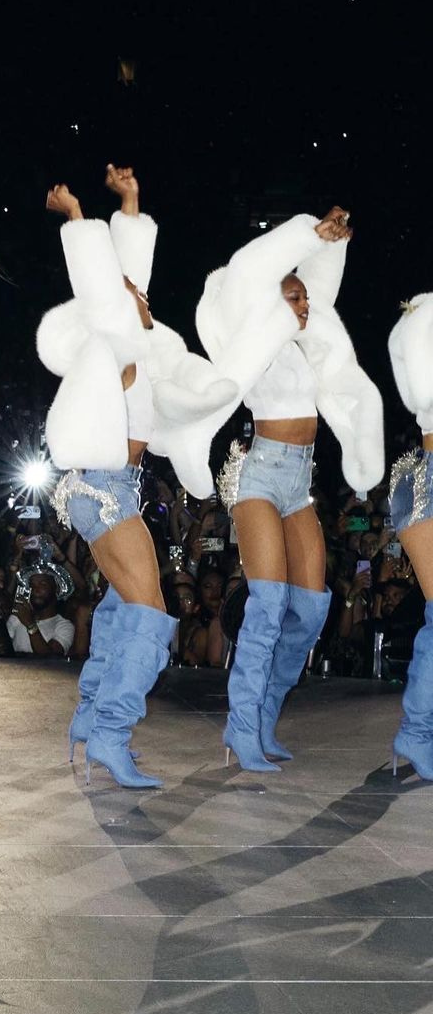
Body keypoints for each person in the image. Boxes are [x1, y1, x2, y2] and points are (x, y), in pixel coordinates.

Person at [38, 164, 236, 787]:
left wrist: (131, 202)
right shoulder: (115, 346)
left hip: (107, 488)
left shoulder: (139, 353)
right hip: (105, 489)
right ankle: (111, 733)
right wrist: (78, 221)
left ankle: (90, 719)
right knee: (151, 618)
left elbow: (128, 275)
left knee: (123, 609)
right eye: (129, 295)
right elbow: (107, 289)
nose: (142, 297)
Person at [197, 206, 383, 771]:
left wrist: (330, 243)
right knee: (269, 605)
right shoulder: (253, 344)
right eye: (295, 298)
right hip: (259, 476)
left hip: (300, 482)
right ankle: (240, 726)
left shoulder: (307, 346)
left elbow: (324, 295)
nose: (305, 307)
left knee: (310, 609)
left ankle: (264, 717)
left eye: (305, 298)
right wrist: (302, 235)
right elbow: (245, 274)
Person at [386, 293, 433, 776]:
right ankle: (416, 734)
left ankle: (419, 733)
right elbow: (419, 391)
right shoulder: (421, 325)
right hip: (428, 483)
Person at [7, 569, 75, 656]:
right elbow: (2, 650)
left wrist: (30, 625)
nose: (35, 589)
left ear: (56, 589)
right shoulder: (18, 616)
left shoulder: (64, 625)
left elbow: (50, 658)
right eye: (32, 585)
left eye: (43, 584)